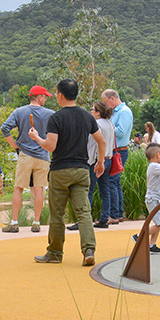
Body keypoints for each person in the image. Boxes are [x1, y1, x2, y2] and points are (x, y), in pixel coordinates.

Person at [30, 78, 106, 266]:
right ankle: (88, 249)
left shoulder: (55, 118)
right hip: (82, 170)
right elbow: (101, 141)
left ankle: (55, 253)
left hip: (60, 171)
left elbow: (50, 145)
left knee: (57, 214)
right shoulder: (87, 116)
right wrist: (100, 162)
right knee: (84, 212)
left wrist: (36, 137)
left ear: (60, 95)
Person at [0, 84, 56, 233]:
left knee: (18, 187)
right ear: (39, 97)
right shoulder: (50, 114)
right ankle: (36, 222)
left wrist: (15, 146)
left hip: (25, 154)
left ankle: (14, 222)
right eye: (44, 97)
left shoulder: (19, 112)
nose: (45, 99)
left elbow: (4, 128)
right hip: (43, 155)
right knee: (39, 189)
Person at [102, 89, 134, 224]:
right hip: (115, 150)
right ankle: (118, 213)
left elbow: (121, 131)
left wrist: (106, 127)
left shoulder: (124, 112)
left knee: (111, 182)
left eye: (105, 102)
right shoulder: (117, 112)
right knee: (115, 182)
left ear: (112, 98)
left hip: (119, 151)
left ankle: (114, 215)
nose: (105, 105)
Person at [87, 100, 115, 228]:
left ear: (98, 112)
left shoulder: (96, 124)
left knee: (89, 190)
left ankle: (85, 218)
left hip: (97, 160)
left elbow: (93, 143)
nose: (91, 112)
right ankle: (104, 218)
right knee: (105, 189)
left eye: (92, 110)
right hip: (108, 158)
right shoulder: (110, 123)